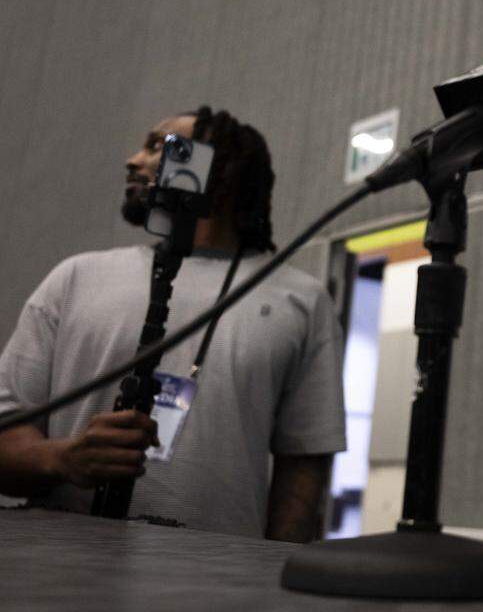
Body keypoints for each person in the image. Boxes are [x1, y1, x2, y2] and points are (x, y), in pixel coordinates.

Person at [0, 107, 346, 542]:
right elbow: (6, 432)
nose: (133, 160)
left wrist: (276, 572)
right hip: (58, 565)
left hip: (219, 576)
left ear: (222, 170)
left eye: (159, 147)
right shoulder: (75, 279)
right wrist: (62, 459)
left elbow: (304, 464)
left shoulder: (300, 300)